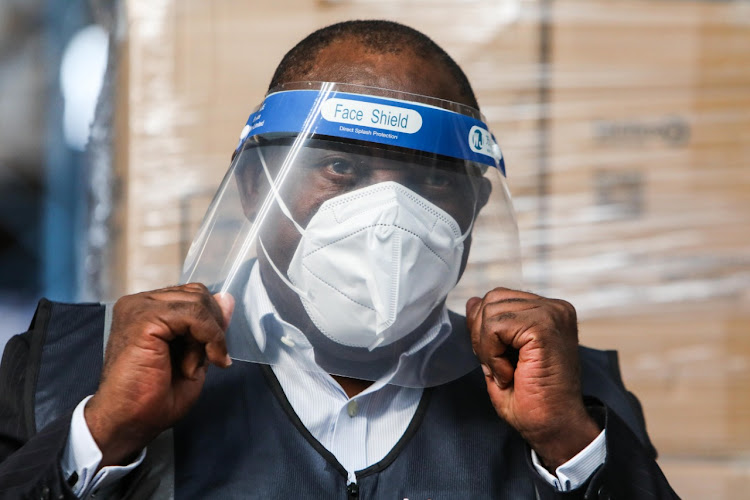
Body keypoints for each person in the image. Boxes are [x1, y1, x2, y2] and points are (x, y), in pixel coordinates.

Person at [0, 20, 678, 499]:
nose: (388, 218)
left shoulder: (568, 394)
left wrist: (571, 446)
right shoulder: (70, 368)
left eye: (434, 179)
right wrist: (99, 438)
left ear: (472, 210)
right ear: (254, 186)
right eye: (341, 169)